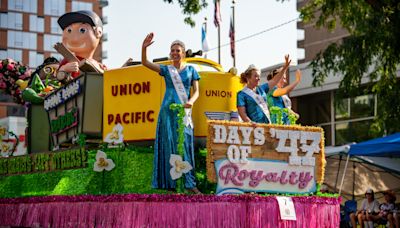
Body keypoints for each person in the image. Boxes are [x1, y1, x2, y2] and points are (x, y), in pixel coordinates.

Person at [141, 33, 200, 193]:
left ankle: (190, 184)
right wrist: (144, 48)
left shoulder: (191, 70)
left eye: (177, 50)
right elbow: (145, 63)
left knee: (185, 144)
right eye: (172, 50)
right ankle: (170, 184)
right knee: (168, 142)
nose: (174, 53)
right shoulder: (167, 70)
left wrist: (191, 102)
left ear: (183, 52)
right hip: (167, 110)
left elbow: (197, 92)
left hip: (184, 110)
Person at [237, 55, 291, 124]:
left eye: (259, 76)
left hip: (267, 126)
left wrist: (285, 67)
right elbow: (242, 113)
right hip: (253, 127)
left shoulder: (261, 89)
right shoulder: (241, 94)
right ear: (248, 78)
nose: (259, 78)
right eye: (256, 76)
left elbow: (274, 81)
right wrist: (250, 123)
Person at [56, 10, 106, 80]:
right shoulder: (68, 61)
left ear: (98, 32)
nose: (74, 39)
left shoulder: (100, 66)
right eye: (69, 30)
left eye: (82, 30)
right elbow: (58, 80)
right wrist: (64, 69)